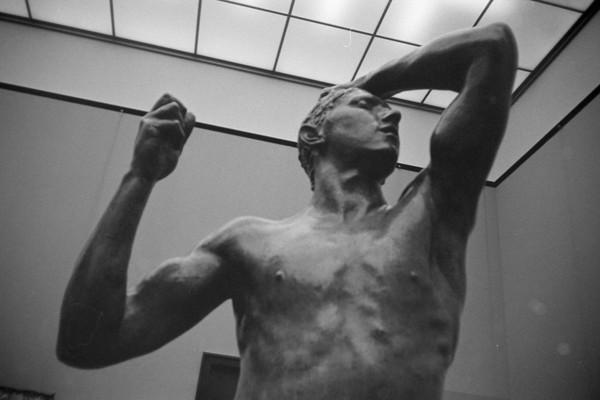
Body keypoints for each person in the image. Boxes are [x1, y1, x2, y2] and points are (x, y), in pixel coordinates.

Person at [57, 22, 517, 400]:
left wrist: (364, 87)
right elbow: (87, 341)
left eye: (388, 110)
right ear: (313, 134)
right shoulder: (249, 244)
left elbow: (492, 48)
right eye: (367, 108)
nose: (393, 115)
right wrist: (139, 177)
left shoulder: (430, 218)